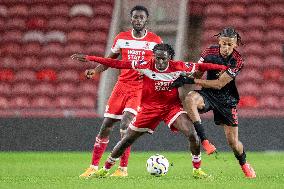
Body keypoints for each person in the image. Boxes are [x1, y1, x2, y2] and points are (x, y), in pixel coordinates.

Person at [71, 43, 227, 178]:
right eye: (157, 57)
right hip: (148, 109)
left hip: (171, 108)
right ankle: (105, 169)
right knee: (126, 140)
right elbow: (117, 63)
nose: (159, 61)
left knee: (192, 134)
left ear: (169, 59)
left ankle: (197, 170)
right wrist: (91, 58)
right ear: (153, 56)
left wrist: (225, 67)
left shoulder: (178, 67)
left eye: (163, 58)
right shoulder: (144, 64)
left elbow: (202, 66)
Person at [79, 5, 163, 178]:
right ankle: (93, 167)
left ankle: (122, 169)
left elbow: (163, 64)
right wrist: (95, 71)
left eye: (141, 17)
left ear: (146, 20)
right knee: (106, 126)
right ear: (131, 19)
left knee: (126, 125)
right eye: (135, 17)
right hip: (121, 87)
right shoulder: (121, 39)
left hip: (139, 89)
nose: (138, 20)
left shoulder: (155, 41)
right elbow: (109, 61)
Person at [170, 27, 256, 178]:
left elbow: (219, 84)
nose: (226, 48)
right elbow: (197, 72)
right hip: (208, 94)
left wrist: (190, 80)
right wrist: (181, 74)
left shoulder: (237, 60)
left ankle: (244, 164)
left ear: (235, 44)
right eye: (224, 43)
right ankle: (204, 140)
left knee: (233, 144)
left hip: (227, 100)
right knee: (190, 98)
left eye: (230, 44)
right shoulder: (209, 52)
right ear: (219, 41)